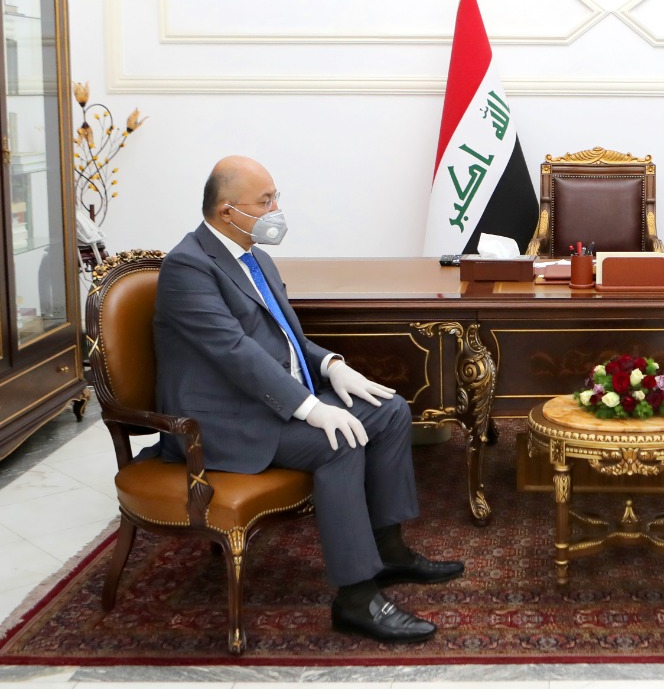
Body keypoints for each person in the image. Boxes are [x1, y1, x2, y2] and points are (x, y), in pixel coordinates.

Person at [153, 155, 462, 643]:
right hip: (225, 422)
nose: (276, 209)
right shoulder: (187, 266)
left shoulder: (254, 256)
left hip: (271, 402)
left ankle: (389, 552)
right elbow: (234, 352)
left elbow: (283, 337)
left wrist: (331, 365)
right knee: (338, 442)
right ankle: (356, 599)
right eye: (265, 201)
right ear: (228, 210)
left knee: (390, 412)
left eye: (275, 196)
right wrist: (312, 408)